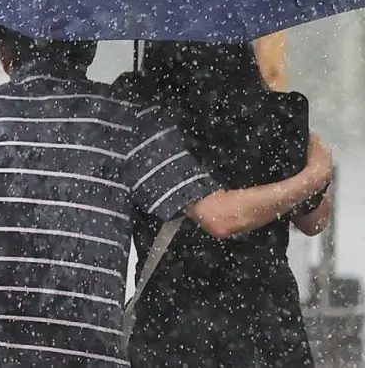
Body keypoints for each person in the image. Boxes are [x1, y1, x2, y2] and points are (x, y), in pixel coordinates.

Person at [0, 25, 333, 368]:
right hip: (99, 348)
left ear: (4, 54)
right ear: (89, 50)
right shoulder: (127, 120)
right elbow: (233, 217)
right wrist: (314, 175)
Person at [117, 42, 332, 367]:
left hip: (171, 329)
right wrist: (313, 175)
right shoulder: (278, 117)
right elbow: (313, 221)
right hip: (268, 329)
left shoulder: (145, 119)